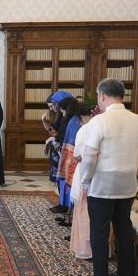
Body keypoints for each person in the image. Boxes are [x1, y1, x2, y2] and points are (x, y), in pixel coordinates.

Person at [77, 78, 138, 276]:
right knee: (124, 229)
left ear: (103, 96)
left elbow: (89, 156)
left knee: (99, 231)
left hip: (103, 185)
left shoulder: (99, 121)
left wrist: (85, 181)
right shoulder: (137, 120)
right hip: (126, 184)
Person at [69, 106, 94, 259]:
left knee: (85, 212)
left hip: (86, 174)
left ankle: (85, 249)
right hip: (107, 179)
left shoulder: (84, 130)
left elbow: (77, 156)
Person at [43, 90, 74, 213]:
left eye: (55, 105)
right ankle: (62, 204)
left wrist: (56, 139)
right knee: (60, 180)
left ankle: (67, 207)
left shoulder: (72, 118)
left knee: (66, 181)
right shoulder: (62, 116)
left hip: (66, 152)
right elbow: (55, 130)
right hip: (59, 150)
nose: (55, 108)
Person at [55, 97, 81, 227]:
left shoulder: (74, 121)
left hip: (72, 158)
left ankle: (70, 218)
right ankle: (67, 216)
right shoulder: (73, 120)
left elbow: (73, 142)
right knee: (67, 187)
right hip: (68, 156)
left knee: (71, 189)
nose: (62, 113)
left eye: (62, 110)